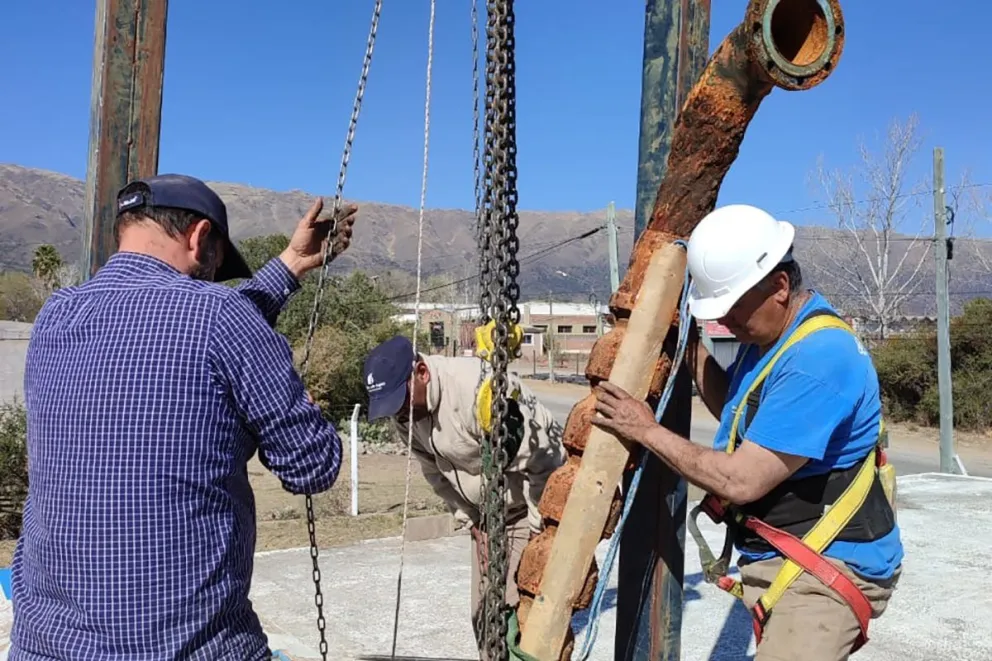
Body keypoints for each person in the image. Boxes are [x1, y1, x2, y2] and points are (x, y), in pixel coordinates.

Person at [10, 173, 358, 661]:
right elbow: (312, 466)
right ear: (199, 237)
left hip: (47, 646)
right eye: (216, 264)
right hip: (189, 648)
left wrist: (292, 264)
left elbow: (188, 322)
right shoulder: (220, 317)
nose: (212, 279)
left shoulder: (55, 316)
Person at [589, 204, 903, 661]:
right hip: (790, 558)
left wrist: (646, 430)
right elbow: (740, 414)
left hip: (829, 570)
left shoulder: (818, 357)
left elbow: (741, 479)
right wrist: (691, 349)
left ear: (778, 287)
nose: (726, 322)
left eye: (733, 308)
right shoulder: (772, 341)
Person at [362, 336, 566, 653]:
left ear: (421, 372)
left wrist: (542, 535)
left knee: (520, 620)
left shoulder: (477, 389)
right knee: (484, 621)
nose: (399, 414)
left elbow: (546, 461)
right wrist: (472, 521)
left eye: (399, 402)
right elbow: (434, 471)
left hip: (525, 511)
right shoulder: (406, 414)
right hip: (485, 521)